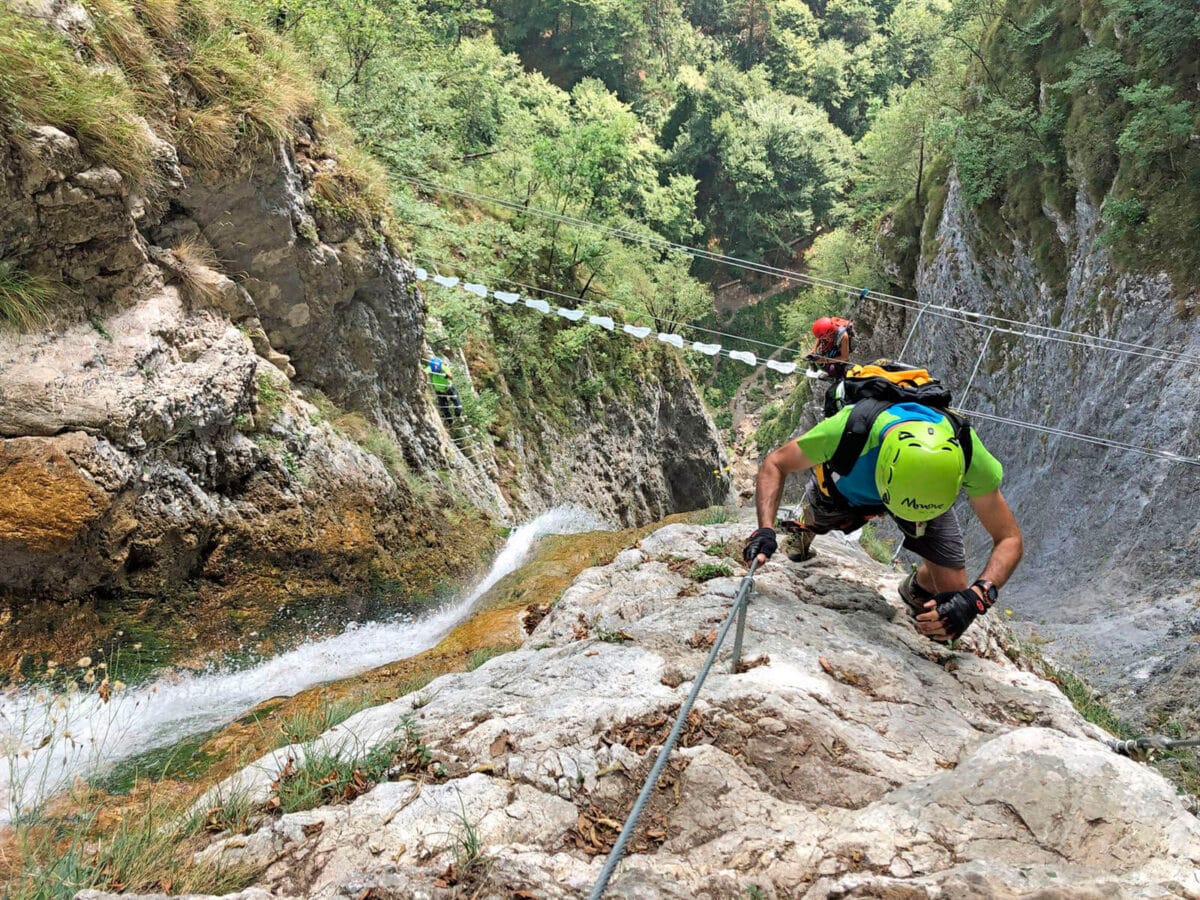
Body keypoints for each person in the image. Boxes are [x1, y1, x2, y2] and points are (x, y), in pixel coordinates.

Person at [743, 401, 1023, 643]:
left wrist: (977, 596)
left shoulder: (967, 451)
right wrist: (765, 529)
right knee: (821, 516)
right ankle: (807, 527)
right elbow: (776, 463)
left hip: (921, 495)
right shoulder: (848, 429)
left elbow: (1009, 538)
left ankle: (915, 588)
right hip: (847, 491)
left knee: (952, 593)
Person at [428, 356, 462, 424]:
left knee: (455, 400)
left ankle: (458, 411)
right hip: (439, 390)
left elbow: (451, 377)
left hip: (448, 388)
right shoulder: (430, 368)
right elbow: (423, 371)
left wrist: (447, 375)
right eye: (434, 367)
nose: (436, 368)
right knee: (443, 406)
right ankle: (449, 421)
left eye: (437, 367)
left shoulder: (443, 367)